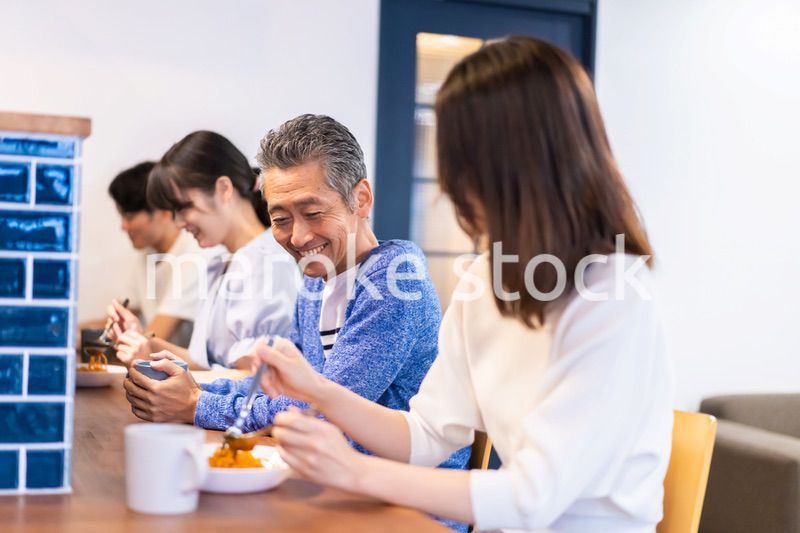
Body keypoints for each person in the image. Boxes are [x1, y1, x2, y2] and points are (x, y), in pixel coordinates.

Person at [251, 37, 674, 533]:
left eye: (459, 159)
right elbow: (426, 435)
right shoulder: (485, 281)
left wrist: (354, 470)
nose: (449, 183)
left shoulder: (612, 291)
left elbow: (531, 497)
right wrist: (317, 390)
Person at [121, 115, 469, 530]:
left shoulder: (394, 282)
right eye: (281, 219)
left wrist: (197, 404)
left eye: (313, 212)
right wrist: (192, 387)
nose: (299, 237)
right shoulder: (316, 282)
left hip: (407, 510)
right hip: (336, 486)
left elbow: (319, 411)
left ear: (361, 199)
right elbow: (281, 387)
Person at [109, 131, 297, 370]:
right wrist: (143, 340)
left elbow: (258, 376)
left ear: (224, 188)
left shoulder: (267, 261)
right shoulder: (222, 263)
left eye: (183, 207)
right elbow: (202, 363)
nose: (179, 222)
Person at [78, 161, 201, 347]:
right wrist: (66, 333)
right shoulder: (147, 255)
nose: (123, 226)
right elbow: (115, 322)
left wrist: (84, 340)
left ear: (163, 212)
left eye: (129, 217)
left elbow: (155, 336)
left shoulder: (192, 255)